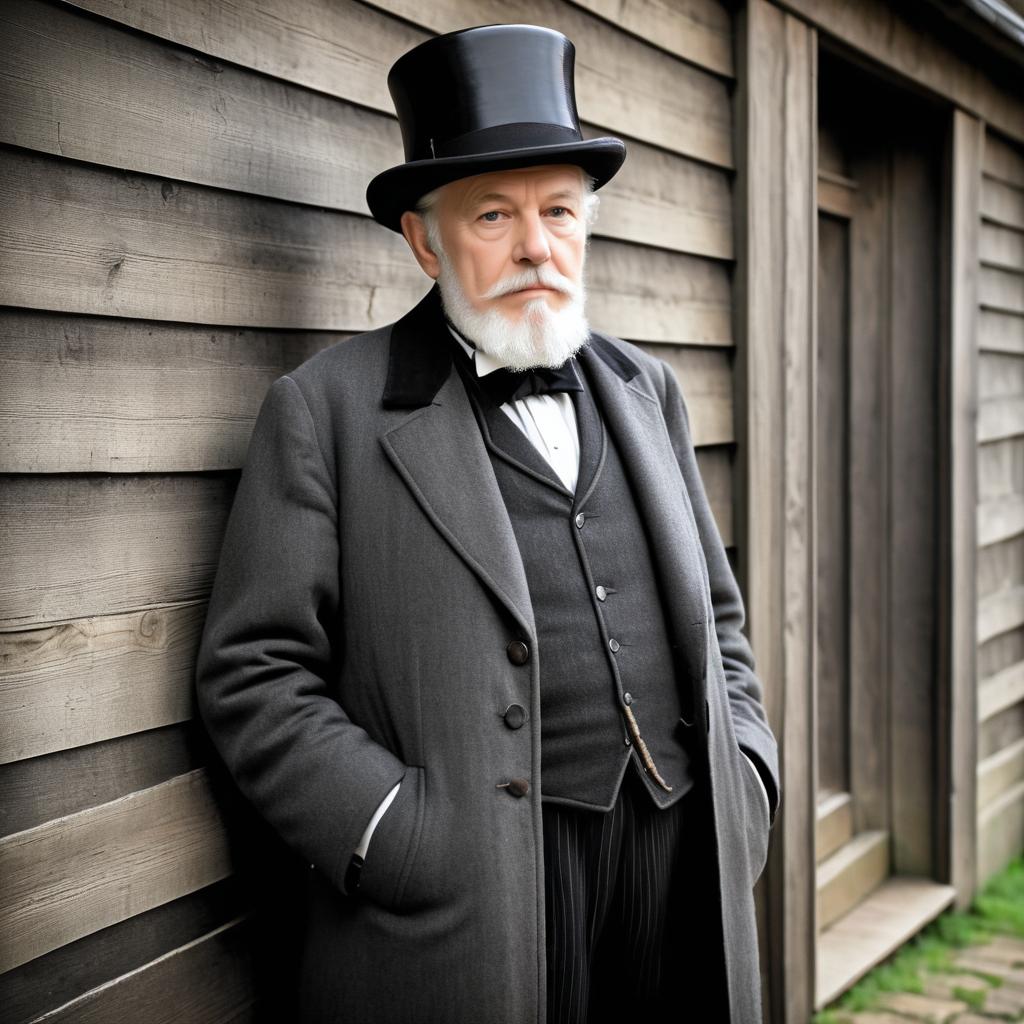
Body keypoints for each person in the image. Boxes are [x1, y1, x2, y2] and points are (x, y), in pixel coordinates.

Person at [195, 22, 780, 1024]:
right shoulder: (325, 410)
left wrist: (749, 774)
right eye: (492, 216)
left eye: (559, 210)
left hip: (682, 847)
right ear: (425, 239)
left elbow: (718, 621)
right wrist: (397, 830)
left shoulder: (652, 391)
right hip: (481, 887)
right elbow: (253, 674)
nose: (535, 246)